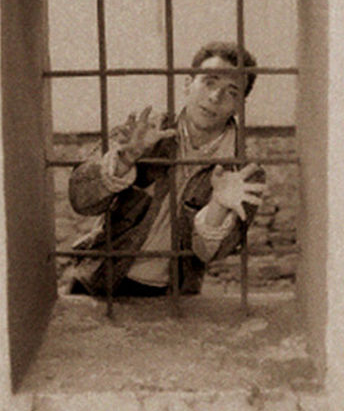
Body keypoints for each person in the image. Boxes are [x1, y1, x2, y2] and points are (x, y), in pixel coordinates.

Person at [67, 41, 266, 297]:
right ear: (188, 84)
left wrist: (218, 206)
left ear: (240, 106)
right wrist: (126, 159)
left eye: (232, 92)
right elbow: (80, 201)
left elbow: (210, 254)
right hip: (97, 279)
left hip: (170, 296)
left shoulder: (244, 171)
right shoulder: (146, 131)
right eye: (209, 82)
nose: (215, 97)